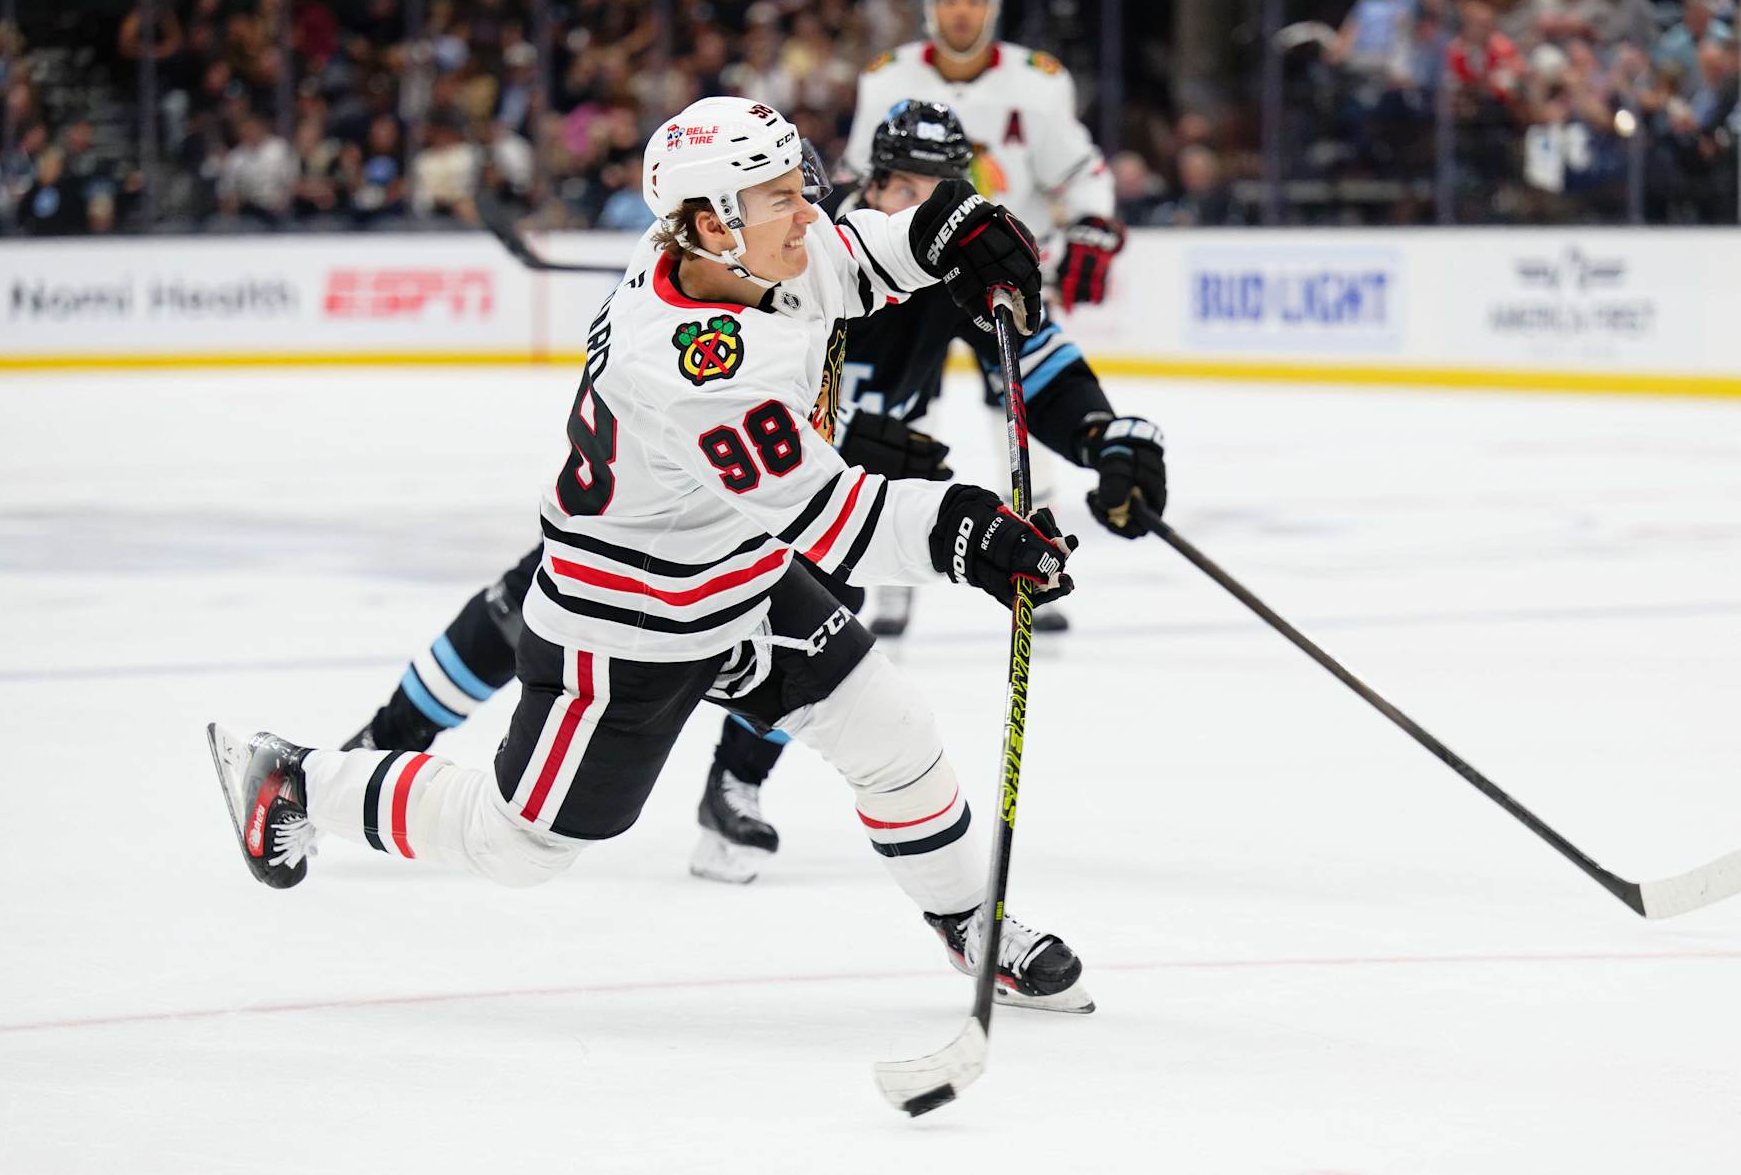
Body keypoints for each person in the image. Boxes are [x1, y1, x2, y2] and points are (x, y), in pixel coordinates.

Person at [209, 96, 1094, 1013]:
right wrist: (972, 535)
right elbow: (835, 524)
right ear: (714, 222)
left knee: (893, 730)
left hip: (736, 577)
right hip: (623, 626)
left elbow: (854, 260)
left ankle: (967, 926)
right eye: (784, 198)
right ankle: (299, 778)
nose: (809, 214)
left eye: (801, 190)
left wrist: (951, 228)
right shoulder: (692, 369)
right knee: (525, 845)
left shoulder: (729, 256)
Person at [340, 101, 1168, 887]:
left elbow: (1038, 356)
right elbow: (801, 476)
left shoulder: (816, 238)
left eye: (939, 188)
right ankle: (386, 742)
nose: (913, 203)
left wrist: (1103, 437)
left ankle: (736, 783)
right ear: (865, 184)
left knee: (845, 673)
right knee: (519, 631)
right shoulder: (774, 252)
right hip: (665, 541)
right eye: (904, 189)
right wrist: (900, 485)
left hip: (766, 532)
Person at [841, 0, 1129, 633]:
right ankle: (888, 574)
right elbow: (859, 179)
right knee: (894, 414)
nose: (961, 12)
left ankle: (1039, 557)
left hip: (994, 273)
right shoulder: (885, 78)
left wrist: (1091, 225)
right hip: (900, 280)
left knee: (1021, 400)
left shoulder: (1040, 82)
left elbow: (1078, 170)